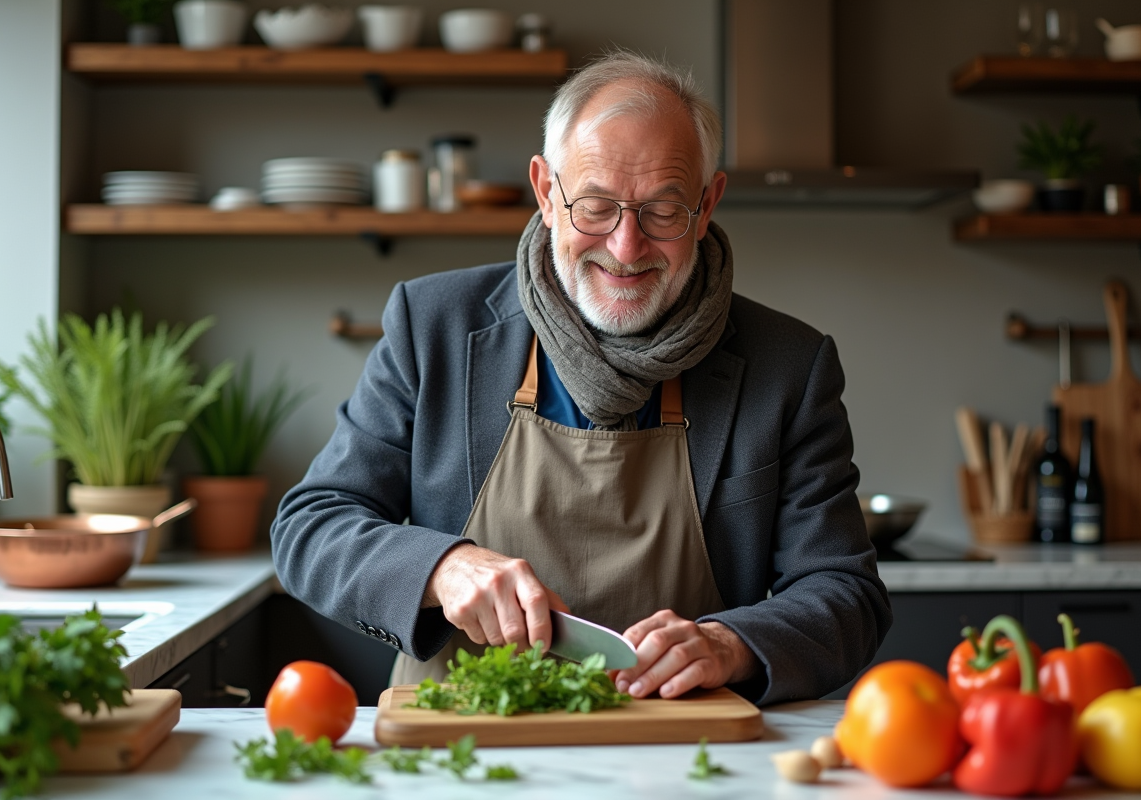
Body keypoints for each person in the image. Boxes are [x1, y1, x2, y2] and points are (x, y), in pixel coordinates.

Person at [271, 51, 891, 705]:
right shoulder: (434, 327)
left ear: (708, 206)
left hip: (684, 756)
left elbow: (846, 596)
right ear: (546, 193)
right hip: (462, 751)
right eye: (595, 207)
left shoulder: (787, 366)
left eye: (663, 211)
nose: (626, 248)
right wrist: (441, 568)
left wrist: (731, 644)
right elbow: (310, 527)